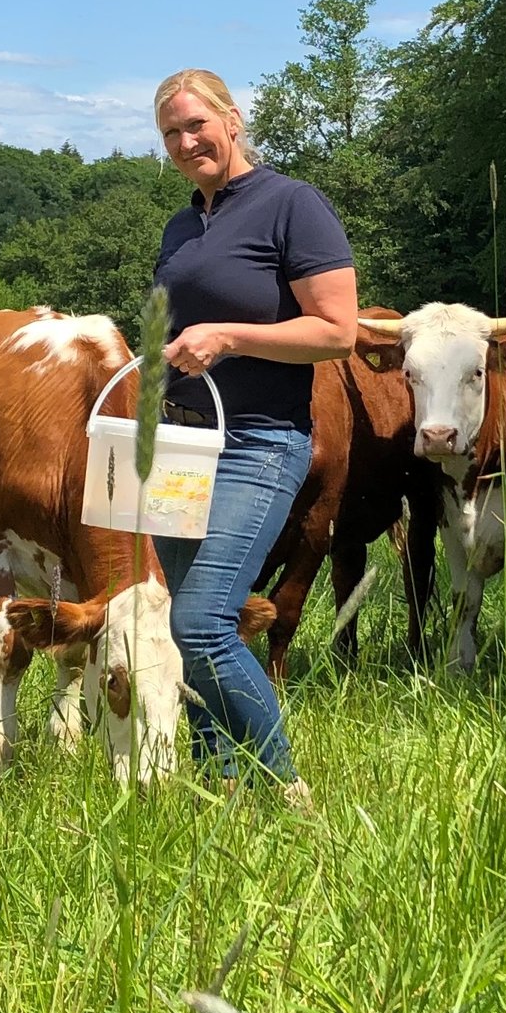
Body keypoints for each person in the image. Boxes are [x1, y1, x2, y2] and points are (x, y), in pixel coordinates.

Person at [149, 67, 356, 805]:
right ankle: (220, 786)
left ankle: (285, 790)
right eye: (170, 132)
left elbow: (336, 332)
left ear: (231, 121)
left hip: (257, 446)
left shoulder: (291, 205)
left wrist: (230, 336)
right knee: (184, 626)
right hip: (177, 446)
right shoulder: (182, 225)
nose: (184, 141)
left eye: (195, 124)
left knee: (203, 620)